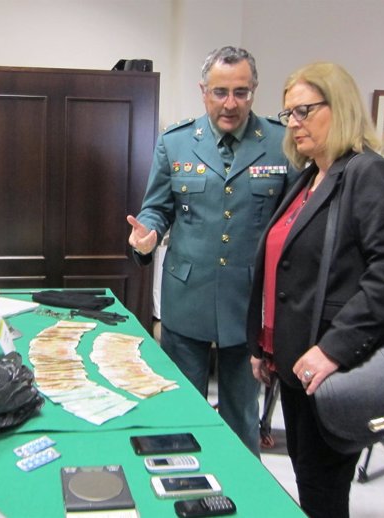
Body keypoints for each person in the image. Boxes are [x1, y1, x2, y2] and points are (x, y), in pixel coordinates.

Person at [246, 62, 384, 517]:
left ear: (339, 106)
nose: (294, 123)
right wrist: (264, 345)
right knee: (309, 478)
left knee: (323, 491)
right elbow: (285, 272)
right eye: (289, 114)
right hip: (296, 363)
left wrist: (333, 349)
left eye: (304, 110)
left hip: (332, 366)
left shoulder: (368, 173)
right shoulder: (309, 177)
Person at [126, 46, 297, 456]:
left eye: (241, 92)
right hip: (187, 296)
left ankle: (241, 493)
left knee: (242, 415)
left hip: (248, 303)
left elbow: (294, 220)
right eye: (220, 92)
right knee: (180, 408)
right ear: (203, 91)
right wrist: (147, 234)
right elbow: (156, 207)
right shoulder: (177, 142)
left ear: (255, 91)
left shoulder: (281, 142)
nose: (230, 103)